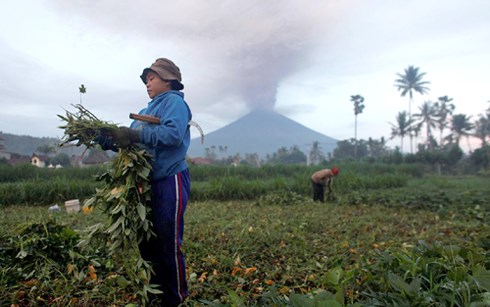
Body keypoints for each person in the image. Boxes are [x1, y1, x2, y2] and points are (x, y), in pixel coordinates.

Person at [99, 58, 191, 306]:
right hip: (146, 184)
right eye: (146, 79)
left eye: (151, 78)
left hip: (169, 178)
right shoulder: (146, 111)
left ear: (168, 80)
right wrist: (108, 139)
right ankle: (155, 294)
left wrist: (136, 134)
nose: (147, 84)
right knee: (147, 241)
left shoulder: (174, 103)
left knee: (167, 241)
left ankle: (175, 299)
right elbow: (133, 144)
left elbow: (172, 135)